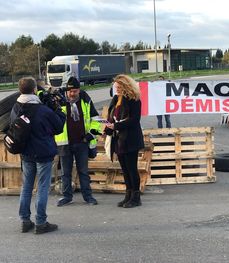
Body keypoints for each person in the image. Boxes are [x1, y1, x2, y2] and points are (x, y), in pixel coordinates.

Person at [11, 77, 66, 234]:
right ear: (34, 89)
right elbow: (58, 127)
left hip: (26, 153)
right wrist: (58, 110)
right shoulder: (42, 110)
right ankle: (41, 223)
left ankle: (25, 221)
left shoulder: (16, 107)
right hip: (43, 153)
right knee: (42, 187)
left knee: (26, 187)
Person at [55, 76, 101, 207]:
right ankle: (66, 196)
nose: (72, 94)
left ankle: (88, 196)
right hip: (64, 143)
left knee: (83, 171)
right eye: (70, 91)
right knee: (65, 173)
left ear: (79, 90)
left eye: (75, 91)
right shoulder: (60, 101)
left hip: (82, 142)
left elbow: (95, 118)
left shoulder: (85, 100)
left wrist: (90, 134)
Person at [105, 74, 145, 208]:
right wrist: (108, 129)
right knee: (124, 169)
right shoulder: (116, 99)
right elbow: (111, 117)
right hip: (119, 139)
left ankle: (136, 196)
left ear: (125, 86)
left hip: (131, 138)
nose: (116, 88)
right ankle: (128, 194)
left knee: (131, 168)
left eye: (118, 86)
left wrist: (116, 126)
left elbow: (134, 120)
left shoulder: (134, 99)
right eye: (115, 86)